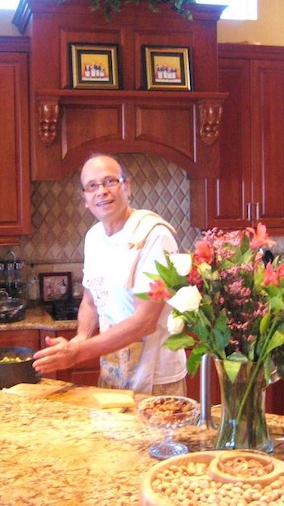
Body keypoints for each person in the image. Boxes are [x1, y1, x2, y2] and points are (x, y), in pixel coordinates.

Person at [32, 154, 187, 396]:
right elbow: (91, 301)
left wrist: (77, 354)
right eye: (92, 186)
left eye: (110, 181)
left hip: (156, 378)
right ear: (85, 198)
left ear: (127, 187)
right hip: (113, 373)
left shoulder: (154, 236)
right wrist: (79, 339)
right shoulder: (94, 237)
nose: (101, 191)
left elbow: (145, 321)